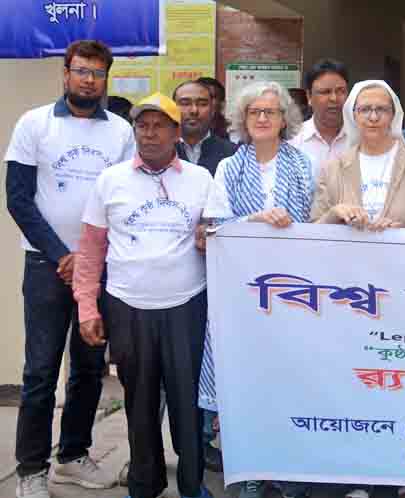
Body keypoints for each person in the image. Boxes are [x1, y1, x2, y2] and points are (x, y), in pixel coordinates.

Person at [5, 39, 133, 498]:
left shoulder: (121, 131)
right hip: (46, 266)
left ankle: (73, 456)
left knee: (88, 367)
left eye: (97, 73)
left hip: (99, 268)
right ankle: (31, 470)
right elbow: (18, 199)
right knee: (40, 371)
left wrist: (87, 260)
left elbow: (124, 199)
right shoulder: (34, 123)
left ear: (105, 79)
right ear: (66, 73)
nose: (89, 80)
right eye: (81, 71)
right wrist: (63, 255)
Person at [73, 93, 214, 498]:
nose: (149, 134)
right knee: (139, 400)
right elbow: (90, 250)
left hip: (186, 305)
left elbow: (214, 234)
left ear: (176, 133)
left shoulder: (200, 179)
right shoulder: (110, 180)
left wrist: (208, 234)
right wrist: (87, 307)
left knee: (188, 402)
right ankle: (144, 482)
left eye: (159, 126)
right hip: (127, 306)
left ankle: (192, 484)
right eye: (142, 126)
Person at [200, 80, 314, 498]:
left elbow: (317, 222)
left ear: (285, 119)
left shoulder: (304, 165)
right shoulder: (228, 168)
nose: (263, 118)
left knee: (288, 380)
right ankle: (249, 469)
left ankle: (287, 471)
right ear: (242, 119)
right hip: (241, 295)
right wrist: (254, 221)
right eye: (255, 112)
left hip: (294, 292)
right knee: (244, 382)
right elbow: (213, 228)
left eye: (271, 111)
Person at [310, 80, 405, 232]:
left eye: (382, 109)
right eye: (365, 109)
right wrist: (333, 214)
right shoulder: (333, 168)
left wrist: (401, 234)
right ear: (353, 115)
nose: (373, 117)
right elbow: (313, 231)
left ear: (393, 115)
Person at [289, 59, 351, 187]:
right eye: (325, 92)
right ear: (309, 97)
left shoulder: (361, 138)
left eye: (340, 91)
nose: (334, 98)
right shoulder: (292, 141)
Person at [174, 80, 238, 176]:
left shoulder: (233, 154)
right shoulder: (160, 152)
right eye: (185, 103)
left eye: (202, 104)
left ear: (213, 110)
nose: (194, 110)